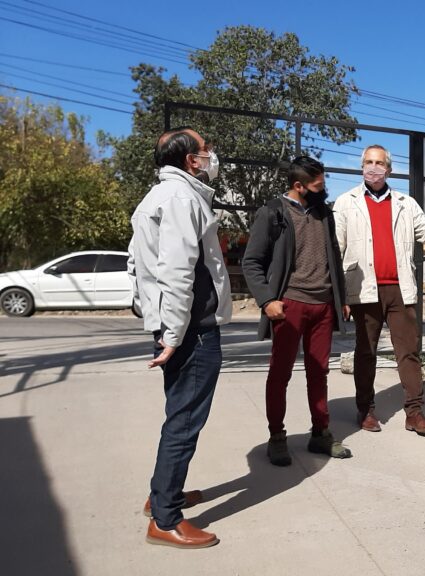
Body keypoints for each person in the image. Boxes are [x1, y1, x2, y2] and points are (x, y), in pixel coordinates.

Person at [128, 127, 231, 549]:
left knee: (180, 418)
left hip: (184, 328)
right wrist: (172, 334)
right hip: (193, 332)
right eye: (206, 149)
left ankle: (160, 497)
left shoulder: (164, 196)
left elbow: (138, 264)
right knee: (184, 423)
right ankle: (166, 518)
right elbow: (174, 271)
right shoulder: (180, 198)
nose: (210, 155)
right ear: (191, 160)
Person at [333, 144, 425, 436]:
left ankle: (414, 413)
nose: (373, 167)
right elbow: (336, 247)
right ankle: (365, 410)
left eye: (379, 162)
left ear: (389, 169)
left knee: (409, 352)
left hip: (399, 290)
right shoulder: (345, 202)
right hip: (363, 290)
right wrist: (340, 295)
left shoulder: (406, 202)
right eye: (368, 161)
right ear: (361, 166)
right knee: (365, 353)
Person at [242, 156, 352, 466]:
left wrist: (339, 296)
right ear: (298, 186)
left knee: (320, 373)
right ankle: (277, 437)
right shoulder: (272, 213)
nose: (323, 189)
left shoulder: (323, 213)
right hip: (289, 306)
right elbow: (251, 261)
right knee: (280, 373)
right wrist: (267, 300)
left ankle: (320, 433)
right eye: (318, 185)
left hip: (323, 306)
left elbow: (334, 256)